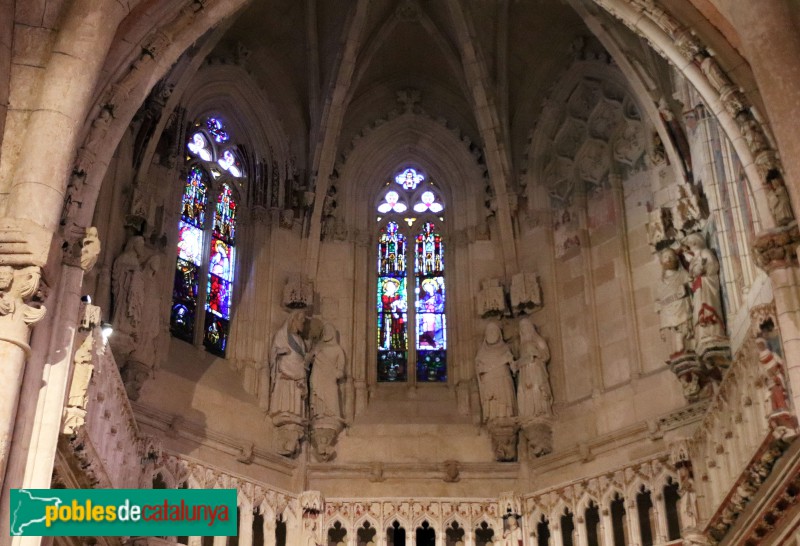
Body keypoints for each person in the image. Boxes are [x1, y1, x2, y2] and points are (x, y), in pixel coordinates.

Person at [684, 233, 726, 348]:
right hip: (698, 288)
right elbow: (691, 278)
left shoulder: (705, 252)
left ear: (697, 242)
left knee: (708, 306)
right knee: (698, 309)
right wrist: (691, 277)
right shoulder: (693, 259)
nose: (690, 245)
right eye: (689, 244)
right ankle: (702, 335)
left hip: (707, 285)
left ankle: (714, 332)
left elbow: (713, 266)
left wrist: (702, 269)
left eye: (691, 242)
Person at [269, 311, 309, 421]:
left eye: (304, 322)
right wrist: (281, 350)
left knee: (296, 391)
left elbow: (302, 357)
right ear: (293, 320)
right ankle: (284, 411)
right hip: (286, 370)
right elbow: (274, 352)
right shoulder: (282, 335)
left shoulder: (301, 341)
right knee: (287, 388)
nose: (303, 323)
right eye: (301, 320)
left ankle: (297, 413)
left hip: (298, 373)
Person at [655, 248, 693, 357]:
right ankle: (679, 350)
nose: (668, 259)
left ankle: (685, 348)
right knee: (675, 332)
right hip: (668, 313)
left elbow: (692, 284)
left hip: (682, 308)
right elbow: (658, 301)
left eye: (671, 256)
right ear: (661, 261)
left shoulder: (682, 274)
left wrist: (686, 288)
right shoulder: (659, 283)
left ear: (676, 259)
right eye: (665, 257)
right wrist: (657, 305)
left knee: (683, 330)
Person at [475, 323, 516, 422]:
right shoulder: (482, 353)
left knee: (504, 405)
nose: (492, 334)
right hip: (490, 385)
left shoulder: (505, 349)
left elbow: (513, 368)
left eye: (494, 331)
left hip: (503, 383)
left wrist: (512, 365)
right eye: (489, 331)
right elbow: (479, 370)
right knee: (494, 407)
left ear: (499, 334)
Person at [514, 319, 553, 419]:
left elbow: (546, 354)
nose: (524, 329)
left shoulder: (538, 340)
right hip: (525, 371)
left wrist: (536, 355)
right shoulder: (521, 345)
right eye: (522, 327)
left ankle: (541, 411)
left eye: (526, 326)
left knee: (537, 387)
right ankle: (528, 413)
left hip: (535, 368)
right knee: (526, 390)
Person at [309, 323, 346, 422]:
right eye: (324, 331)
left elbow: (341, 369)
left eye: (328, 331)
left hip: (330, 378)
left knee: (332, 392)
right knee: (318, 393)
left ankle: (332, 414)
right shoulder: (318, 347)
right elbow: (310, 359)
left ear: (332, 333)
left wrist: (338, 372)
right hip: (318, 376)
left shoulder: (338, 349)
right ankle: (319, 413)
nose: (326, 333)